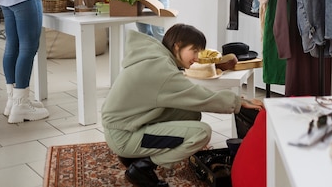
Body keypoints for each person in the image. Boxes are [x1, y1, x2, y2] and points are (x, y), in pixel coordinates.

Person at [101, 23, 264, 187]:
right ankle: (142, 168)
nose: (197, 57)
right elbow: (198, 97)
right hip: (123, 135)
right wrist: (239, 102)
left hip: (126, 125)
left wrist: (236, 101)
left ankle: (135, 156)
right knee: (201, 133)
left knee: (190, 114)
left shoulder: (155, 58)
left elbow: (190, 96)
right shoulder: (160, 68)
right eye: (194, 51)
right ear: (177, 46)